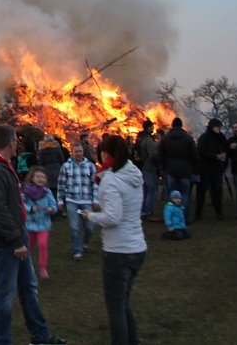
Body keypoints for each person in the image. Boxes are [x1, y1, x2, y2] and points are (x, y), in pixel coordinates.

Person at [0, 123, 67, 345]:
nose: (17, 144)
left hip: (17, 237)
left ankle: (41, 336)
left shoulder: (0, 165)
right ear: (11, 142)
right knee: (5, 296)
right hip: (4, 243)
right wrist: (16, 240)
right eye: (15, 141)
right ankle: (2, 341)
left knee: (28, 288)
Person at [82, 135, 147, 345]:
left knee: (115, 308)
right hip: (137, 247)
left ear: (106, 154)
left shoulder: (110, 179)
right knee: (122, 303)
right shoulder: (133, 173)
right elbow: (125, 206)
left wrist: (90, 216)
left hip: (119, 251)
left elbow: (113, 218)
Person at [56, 142, 99, 261]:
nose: (78, 154)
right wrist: (60, 201)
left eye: (80, 151)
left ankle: (86, 242)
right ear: (72, 152)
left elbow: (94, 184)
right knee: (74, 227)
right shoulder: (66, 166)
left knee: (90, 226)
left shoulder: (90, 166)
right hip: (71, 200)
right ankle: (78, 250)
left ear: (83, 152)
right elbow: (61, 184)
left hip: (86, 200)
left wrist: (95, 199)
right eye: (76, 151)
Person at [158, 118, 197, 222]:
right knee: (184, 194)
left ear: (172, 125)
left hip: (171, 169)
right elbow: (194, 154)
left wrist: (164, 166)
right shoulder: (188, 138)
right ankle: (184, 217)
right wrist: (193, 167)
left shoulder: (165, 138)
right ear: (181, 125)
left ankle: (171, 217)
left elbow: (161, 155)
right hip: (185, 169)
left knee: (171, 194)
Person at [23, 166, 58, 279]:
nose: (40, 179)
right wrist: (30, 208)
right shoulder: (26, 192)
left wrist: (51, 209)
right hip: (30, 224)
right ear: (32, 178)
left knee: (43, 245)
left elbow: (54, 205)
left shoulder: (47, 192)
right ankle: (24, 266)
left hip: (44, 224)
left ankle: (43, 268)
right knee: (28, 247)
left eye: (43, 177)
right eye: (38, 176)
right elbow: (21, 205)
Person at [195, 118, 228, 220]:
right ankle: (198, 213)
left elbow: (226, 146)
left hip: (217, 169)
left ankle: (219, 212)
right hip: (205, 168)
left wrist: (224, 154)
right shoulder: (204, 138)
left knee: (217, 191)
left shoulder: (221, 137)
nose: (219, 128)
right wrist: (215, 156)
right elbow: (202, 151)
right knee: (201, 192)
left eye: (219, 126)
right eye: (217, 126)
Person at [135, 121, 160, 221]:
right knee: (151, 190)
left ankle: (142, 210)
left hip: (141, 167)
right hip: (149, 168)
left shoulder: (139, 138)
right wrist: (158, 163)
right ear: (149, 128)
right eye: (152, 127)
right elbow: (153, 155)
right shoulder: (148, 140)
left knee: (144, 190)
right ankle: (148, 212)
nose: (153, 128)